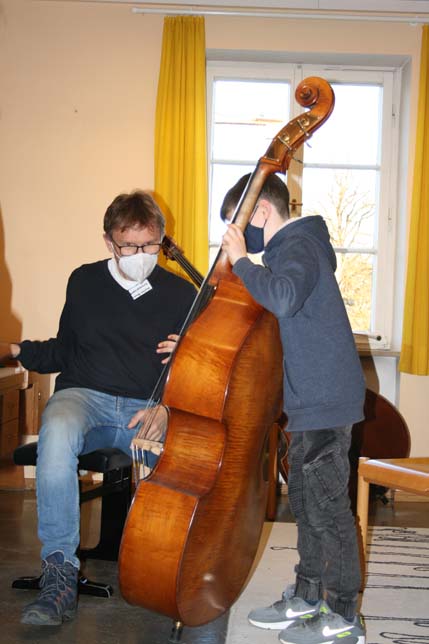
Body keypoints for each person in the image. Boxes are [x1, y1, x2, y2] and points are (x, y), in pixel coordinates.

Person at [0, 190, 197, 626]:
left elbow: (199, 373)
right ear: (109, 241)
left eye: (150, 245)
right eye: (130, 246)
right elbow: (64, 349)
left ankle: (170, 571)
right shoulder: (84, 281)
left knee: (188, 457)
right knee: (57, 430)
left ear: (162, 240)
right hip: (85, 397)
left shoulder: (183, 294)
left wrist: (171, 402)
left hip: (147, 408)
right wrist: (17, 350)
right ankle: (59, 574)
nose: (141, 256)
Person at [221, 173, 366, 644]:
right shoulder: (288, 253)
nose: (238, 236)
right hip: (309, 402)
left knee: (329, 511)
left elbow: (282, 299)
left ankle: (343, 616)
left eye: (240, 223)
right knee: (305, 505)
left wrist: (241, 262)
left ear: (262, 211)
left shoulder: (299, 245)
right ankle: (307, 595)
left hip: (326, 400)